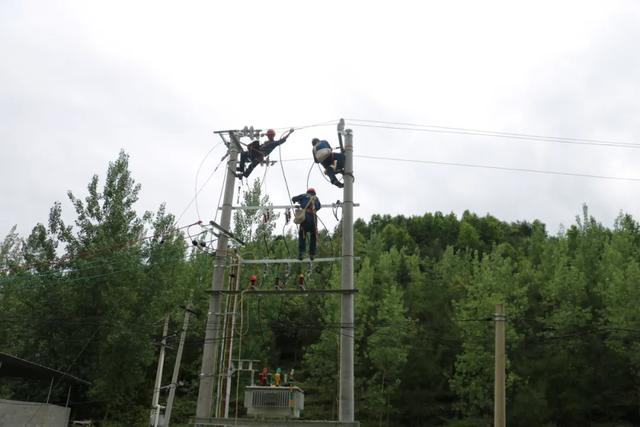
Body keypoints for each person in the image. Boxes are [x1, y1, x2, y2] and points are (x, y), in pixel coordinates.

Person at [292, 188, 321, 260]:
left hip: (306, 218)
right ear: (314, 193)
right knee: (313, 235)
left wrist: (299, 202)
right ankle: (312, 254)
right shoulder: (316, 198)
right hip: (314, 219)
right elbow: (319, 206)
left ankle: (301, 254)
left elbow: (294, 199)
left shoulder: (304, 195)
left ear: (307, 192)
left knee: (302, 234)